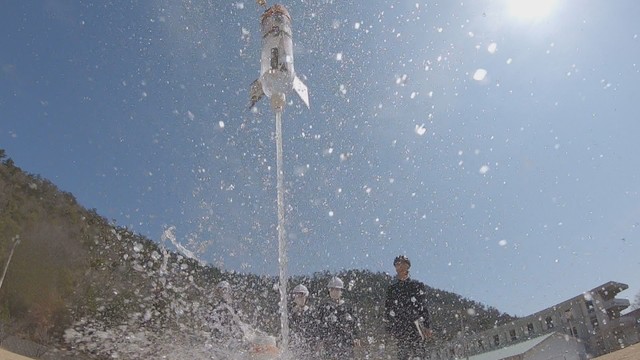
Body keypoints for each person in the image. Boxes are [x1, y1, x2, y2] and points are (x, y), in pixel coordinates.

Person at [384, 255, 432, 360]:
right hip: (400, 327)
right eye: (396, 264)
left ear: (407, 266)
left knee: (419, 354)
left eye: (401, 263)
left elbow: (423, 306)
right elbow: (388, 310)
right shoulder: (392, 289)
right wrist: (389, 328)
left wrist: (427, 325)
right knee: (403, 354)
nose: (399, 266)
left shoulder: (417, 285)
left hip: (416, 326)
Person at [317, 276, 360, 359]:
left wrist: (356, 336)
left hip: (346, 341)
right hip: (330, 343)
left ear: (341, 291)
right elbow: (320, 324)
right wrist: (320, 340)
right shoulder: (324, 307)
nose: (334, 292)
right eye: (331, 289)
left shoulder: (348, 306)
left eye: (337, 289)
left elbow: (355, 322)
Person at [207, 280, 245, 345]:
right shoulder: (217, 307)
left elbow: (240, 322)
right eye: (220, 291)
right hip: (222, 336)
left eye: (224, 290)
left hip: (232, 335)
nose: (223, 292)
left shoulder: (234, 306)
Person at [289, 284, 319, 358]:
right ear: (294, 298)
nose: (300, 298)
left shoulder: (311, 313)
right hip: (295, 347)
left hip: (310, 346)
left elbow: (316, 330)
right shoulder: (290, 313)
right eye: (298, 296)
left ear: (306, 297)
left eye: (302, 296)